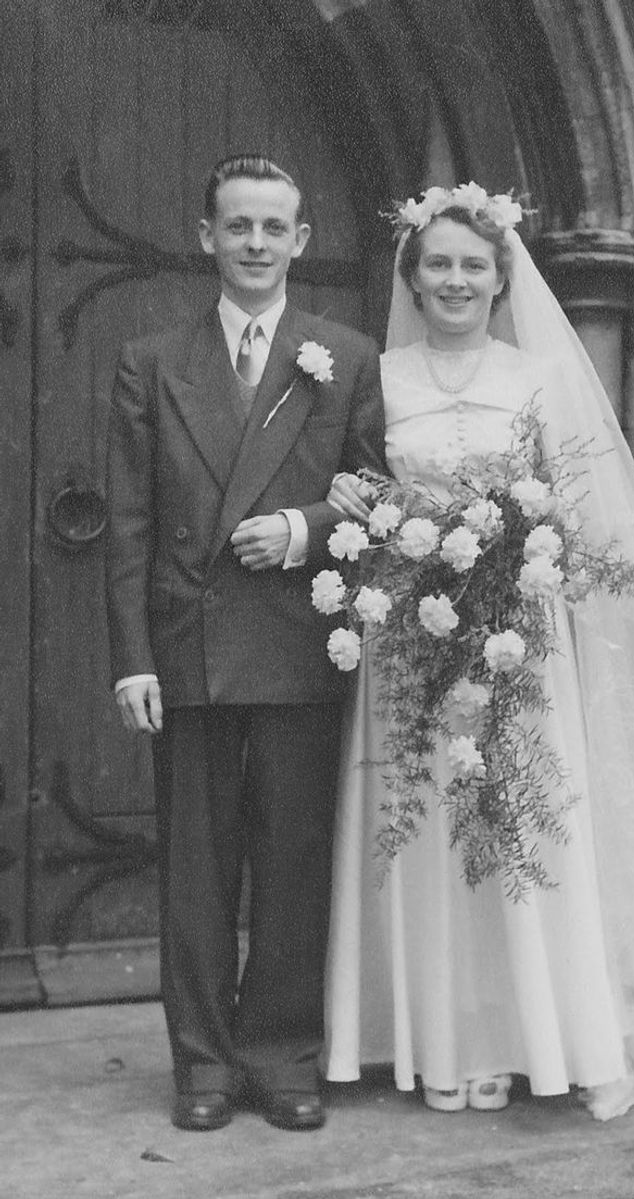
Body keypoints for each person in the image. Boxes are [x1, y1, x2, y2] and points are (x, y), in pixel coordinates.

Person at [323, 184, 634, 1119]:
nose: (456, 279)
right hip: (409, 645)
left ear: (503, 277)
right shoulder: (376, 376)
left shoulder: (540, 377)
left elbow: (588, 517)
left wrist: (527, 562)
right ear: (411, 279)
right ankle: (430, 1039)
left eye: (474, 264)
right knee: (420, 827)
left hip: (515, 639)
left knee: (522, 830)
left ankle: (530, 1035)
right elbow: (359, 486)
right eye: (438, 265)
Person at [105, 155, 386, 1133]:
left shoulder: (344, 355)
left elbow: (376, 492)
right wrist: (133, 655)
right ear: (205, 236)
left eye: (274, 227)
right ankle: (202, 1062)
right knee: (197, 866)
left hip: (298, 643)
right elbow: (131, 521)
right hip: (187, 648)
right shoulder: (150, 360)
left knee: (293, 857)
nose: (256, 244)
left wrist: (304, 529)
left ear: (301, 241)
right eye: (238, 227)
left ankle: (280, 1050)